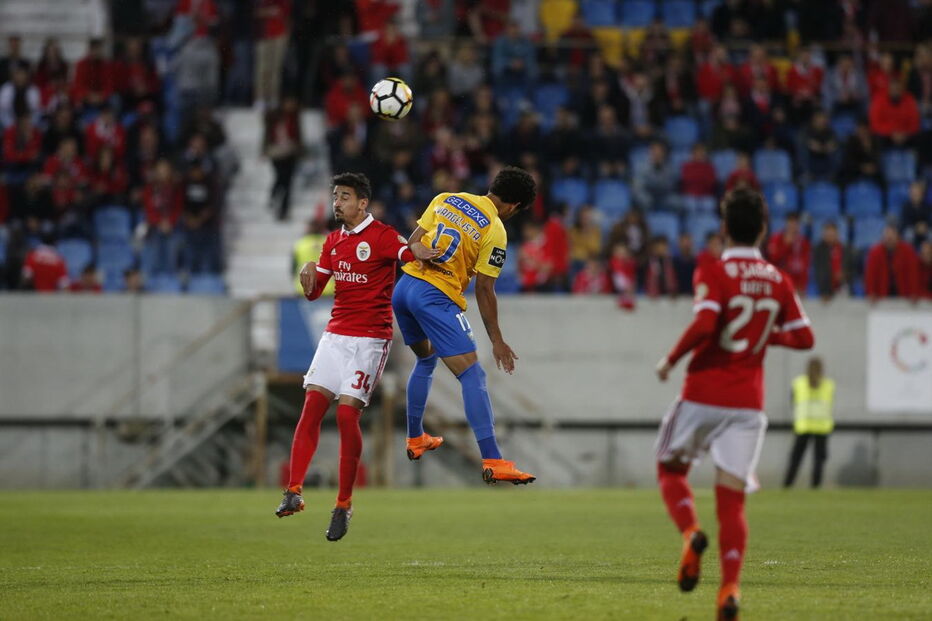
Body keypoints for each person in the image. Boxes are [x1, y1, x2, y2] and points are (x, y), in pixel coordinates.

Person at [653, 188, 815, 621]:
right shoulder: (778, 279)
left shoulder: (713, 270)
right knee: (733, 501)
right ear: (764, 229)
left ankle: (690, 534)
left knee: (670, 469)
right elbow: (805, 338)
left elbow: (706, 323)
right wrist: (762, 339)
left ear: (724, 228)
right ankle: (729, 590)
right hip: (748, 404)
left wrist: (670, 360)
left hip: (704, 392)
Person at [276, 172, 439, 540]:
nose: (337, 202)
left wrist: (418, 251)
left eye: (345, 196)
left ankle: (343, 504)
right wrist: (308, 277)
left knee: (347, 414)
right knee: (312, 408)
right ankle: (294, 492)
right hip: (335, 336)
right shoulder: (332, 242)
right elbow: (315, 294)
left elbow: (404, 252)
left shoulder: (381, 235)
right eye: (336, 196)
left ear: (362, 203)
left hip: (370, 340)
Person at [392, 166, 537, 484]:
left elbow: (414, 242)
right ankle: (494, 460)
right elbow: (485, 289)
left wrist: (419, 254)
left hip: (403, 289)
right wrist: (497, 340)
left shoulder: (447, 198)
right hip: (435, 298)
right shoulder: (495, 230)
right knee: (472, 374)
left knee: (426, 358)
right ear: (513, 206)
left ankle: (415, 438)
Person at [783, 357, 835, 489]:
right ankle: (815, 487)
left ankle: (787, 485)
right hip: (822, 426)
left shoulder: (798, 383)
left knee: (796, 459)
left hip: (803, 425)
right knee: (818, 460)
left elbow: (793, 401)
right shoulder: (828, 385)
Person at [864, 225, 921, 302]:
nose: (889, 239)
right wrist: (871, 292)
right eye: (887, 237)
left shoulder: (908, 251)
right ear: (882, 238)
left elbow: (913, 274)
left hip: (903, 292)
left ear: (898, 237)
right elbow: (870, 275)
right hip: (882, 293)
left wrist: (914, 292)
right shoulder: (875, 252)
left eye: (891, 237)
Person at [292, 218, 333, 296]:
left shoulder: (299, 244)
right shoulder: (329, 242)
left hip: (304, 289)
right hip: (327, 289)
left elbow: (293, 268)